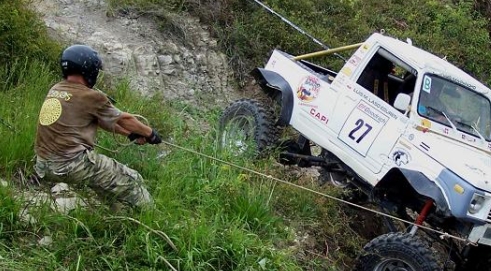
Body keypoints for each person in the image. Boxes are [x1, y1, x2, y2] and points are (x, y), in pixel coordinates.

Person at [34, 44, 161, 209]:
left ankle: (119, 213)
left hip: (44, 164)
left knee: (104, 180)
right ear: (88, 69)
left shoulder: (56, 89)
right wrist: (150, 134)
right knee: (132, 179)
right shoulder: (90, 96)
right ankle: (149, 216)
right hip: (70, 163)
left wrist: (130, 135)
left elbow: (101, 121)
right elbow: (124, 119)